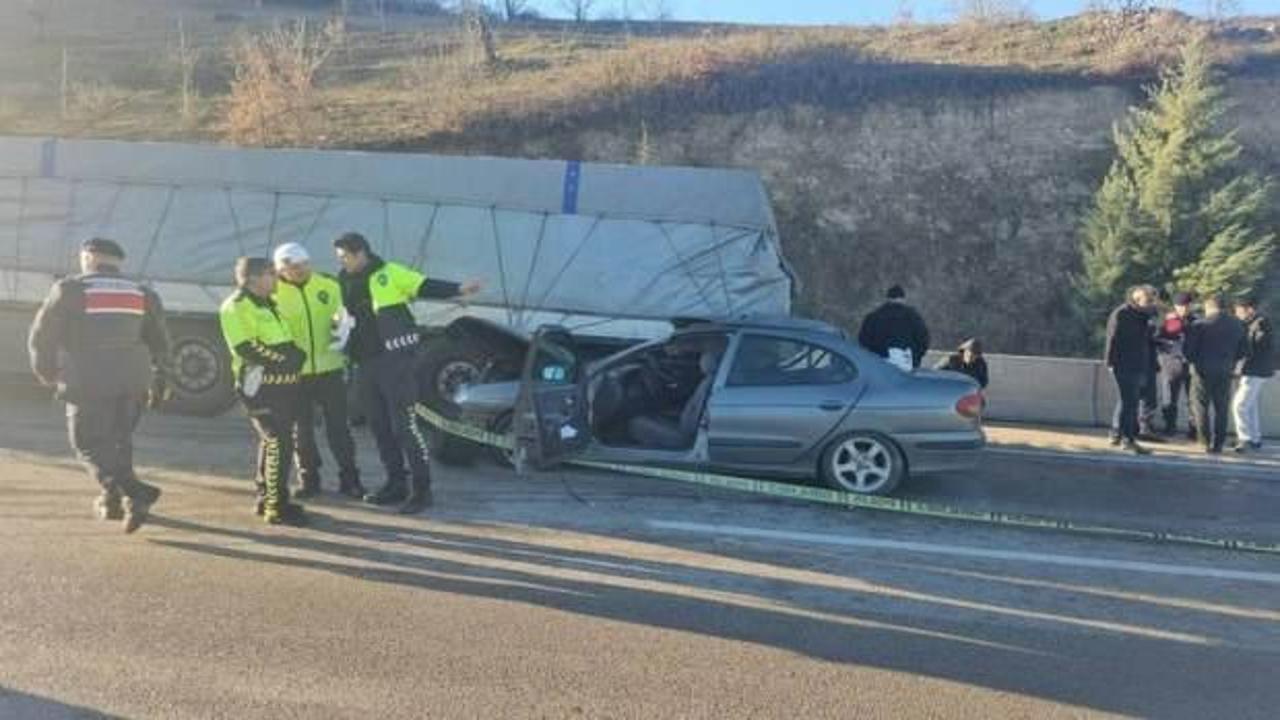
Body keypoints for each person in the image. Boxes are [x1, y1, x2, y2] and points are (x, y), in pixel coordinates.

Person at [27, 238, 170, 533]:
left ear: (90, 257)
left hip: (88, 380)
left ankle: (135, 492)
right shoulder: (141, 292)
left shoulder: (71, 289)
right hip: (132, 382)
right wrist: (161, 379)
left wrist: (45, 370)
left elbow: (43, 335)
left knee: (88, 444)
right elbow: (160, 342)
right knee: (118, 442)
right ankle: (116, 503)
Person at [334, 232, 481, 515]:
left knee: (405, 427)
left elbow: (424, 284)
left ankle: (422, 490)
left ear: (360, 252)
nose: (342, 262)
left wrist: (459, 289)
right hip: (364, 362)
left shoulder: (390, 273)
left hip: (395, 360)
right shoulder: (344, 279)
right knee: (379, 426)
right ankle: (395, 483)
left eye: (344, 257)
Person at [272, 242, 365, 500]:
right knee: (301, 430)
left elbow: (342, 316)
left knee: (339, 429)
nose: (300, 270)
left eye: (303, 265)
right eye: (292, 267)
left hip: (330, 368)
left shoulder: (328, 285)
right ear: (281, 269)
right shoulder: (273, 293)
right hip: (294, 373)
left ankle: (350, 479)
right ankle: (309, 480)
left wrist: (342, 326)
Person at [219, 257, 309, 526]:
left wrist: (295, 354)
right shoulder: (236, 306)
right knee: (276, 442)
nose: (277, 279)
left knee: (276, 442)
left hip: (283, 386)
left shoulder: (269, 304)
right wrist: (285, 360)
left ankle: (266, 496)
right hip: (260, 387)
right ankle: (275, 507)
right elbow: (246, 348)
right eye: (272, 274)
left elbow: (281, 339)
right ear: (254, 278)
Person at [1184, 294, 1245, 455]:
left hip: (1202, 370)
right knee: (1222, 407)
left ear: (1208, 307)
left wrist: (1194, 361)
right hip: (1225, 370)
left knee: (1200, 406)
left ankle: (1204, 441)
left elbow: (1188, 351)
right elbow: (1244, 350)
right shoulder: (1238, 324)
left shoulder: (1199, 325)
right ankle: (1218, 443)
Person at [1104, 285, 1157, 455]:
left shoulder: (1144, 315)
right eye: (1148, 300)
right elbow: (1112, 338)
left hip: (1139, 363)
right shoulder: (1122, 313)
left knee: (1128, 401)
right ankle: (1129, 439)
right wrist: (1110, 362)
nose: (1151, 304)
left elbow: (1147, 339)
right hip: (1124, 363)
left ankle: (1118, 434)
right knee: (1130, 402)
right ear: (1137, 299)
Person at [1232, 296, 1274, 453]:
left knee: (1239, 405)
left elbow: (1251, 347)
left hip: (1255, 371)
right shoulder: (1253, 323)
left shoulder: (1260, 323)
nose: (1236, 313)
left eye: (1239, 310)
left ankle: (1244, 438)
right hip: (1254, 370)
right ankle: (1255, 439)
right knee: (1250, 407)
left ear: (1249, 309)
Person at [858, 285, 930, 371]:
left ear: (888, 298)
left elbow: (863, 341)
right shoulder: (913, 317)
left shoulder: (873, 317)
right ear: (903, 298)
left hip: (879, 364)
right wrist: (916, 357)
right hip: (907, 363)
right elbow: (923, 339)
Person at [1156, 292, 1197, 439]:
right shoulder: (1167, 320)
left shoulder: (1196, 320)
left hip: (1191, 365)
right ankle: (1169, 427)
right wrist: (1168, 344)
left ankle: (1194, 430)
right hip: (1171, 364)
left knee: (1193, 400)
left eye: (1187, 306)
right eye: (1181, 306)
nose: (1184, 309)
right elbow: (1156, 339)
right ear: (1175, 306)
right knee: (1169, 399)